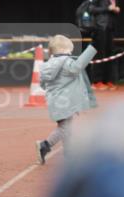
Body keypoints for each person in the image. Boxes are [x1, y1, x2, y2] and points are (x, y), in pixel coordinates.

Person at [36, 34, 97, 164]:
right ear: (65, 50)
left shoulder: (48, 64)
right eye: (70, 49)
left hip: (54, 101)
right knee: (65, 128)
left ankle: (68, 152)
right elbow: (77, 68)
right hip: (65, 101)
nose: (71, 52)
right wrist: (91, 50)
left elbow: (42, 84)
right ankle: (45, 145)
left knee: (65, 126)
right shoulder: (66, 62)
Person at [89, 0, 120, 89]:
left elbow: (111, 10)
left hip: (110, 28)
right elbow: (91, 9)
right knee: (100, 53)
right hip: (100, 27)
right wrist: (107, 8)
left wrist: (116, 9)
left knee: (110, 54)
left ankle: (107, 80)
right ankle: (97, 81)